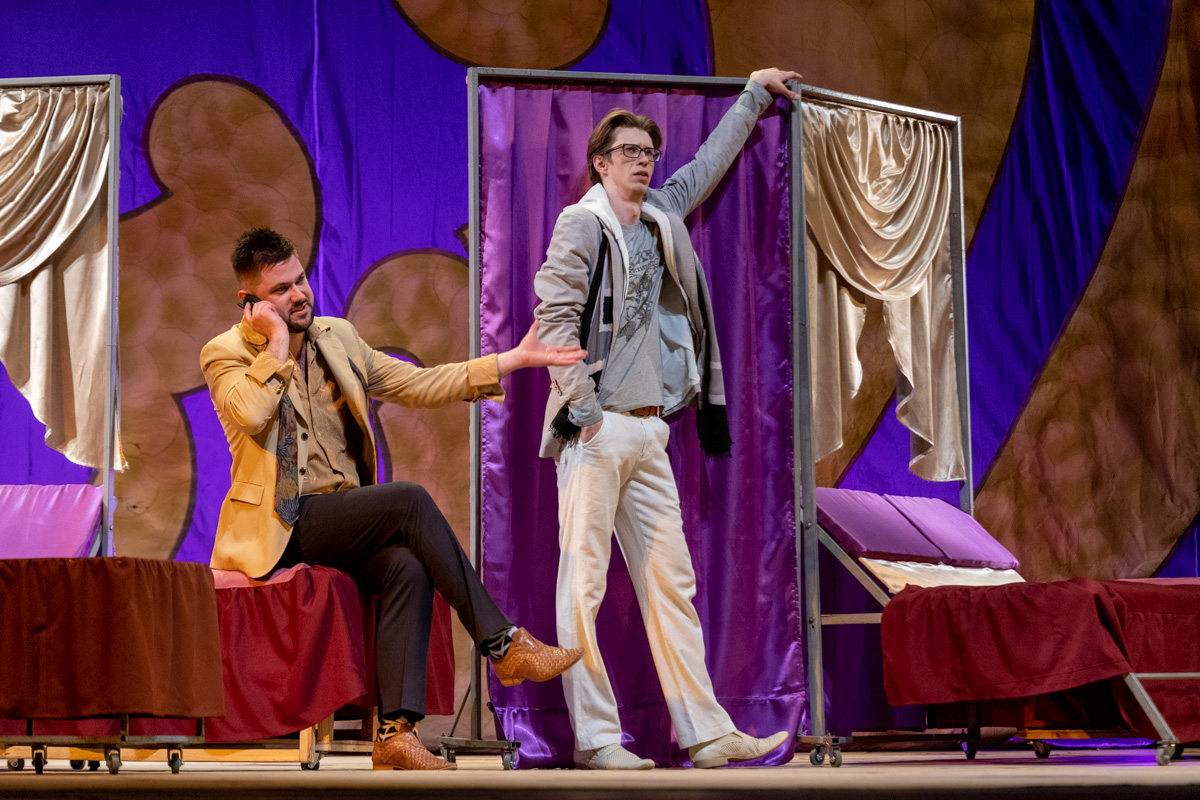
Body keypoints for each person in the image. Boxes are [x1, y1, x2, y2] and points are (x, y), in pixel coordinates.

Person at [201, 227, 585, 772]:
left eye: (301, 279)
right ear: (250, 303)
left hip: (342, 518)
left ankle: (396, 733)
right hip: (281, 523)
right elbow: (251, 413)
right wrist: (278, 345)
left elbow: (415, 384)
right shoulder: (224, 353)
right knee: (408, 501)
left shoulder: (338, 337)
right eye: (281, 290)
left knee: (407, 564)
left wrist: (509, 361)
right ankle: (502, 643)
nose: (300, 295)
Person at [532, 68, 802, 770]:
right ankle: (597, 740)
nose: (643, 161)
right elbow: (554, 318)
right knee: (583, 586)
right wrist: (584, 411)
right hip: (596, 430)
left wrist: (754, 93)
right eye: (628, 151)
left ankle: (706, 733)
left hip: (652, 430)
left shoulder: (661, 215)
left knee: (671, 584)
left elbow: (707, 164)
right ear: (600, 162)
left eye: (648, 152)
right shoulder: (582, 223)